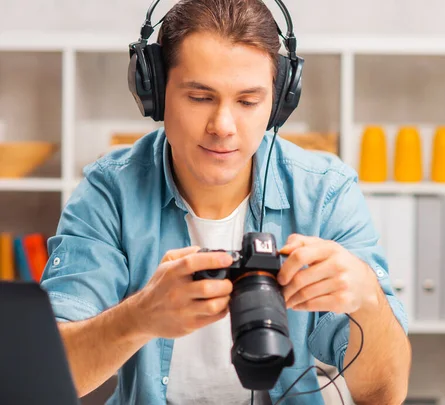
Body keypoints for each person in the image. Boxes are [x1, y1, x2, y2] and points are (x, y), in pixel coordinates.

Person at [39, 0, 411, 404]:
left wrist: (369, 301)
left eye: (248, 102)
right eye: (200, 97)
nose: (223, 127)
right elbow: (48, 379)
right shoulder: (110, 191)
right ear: (156, 93)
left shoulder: (326, 192)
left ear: (280, 101)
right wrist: (139, 317)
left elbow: (384, 394)